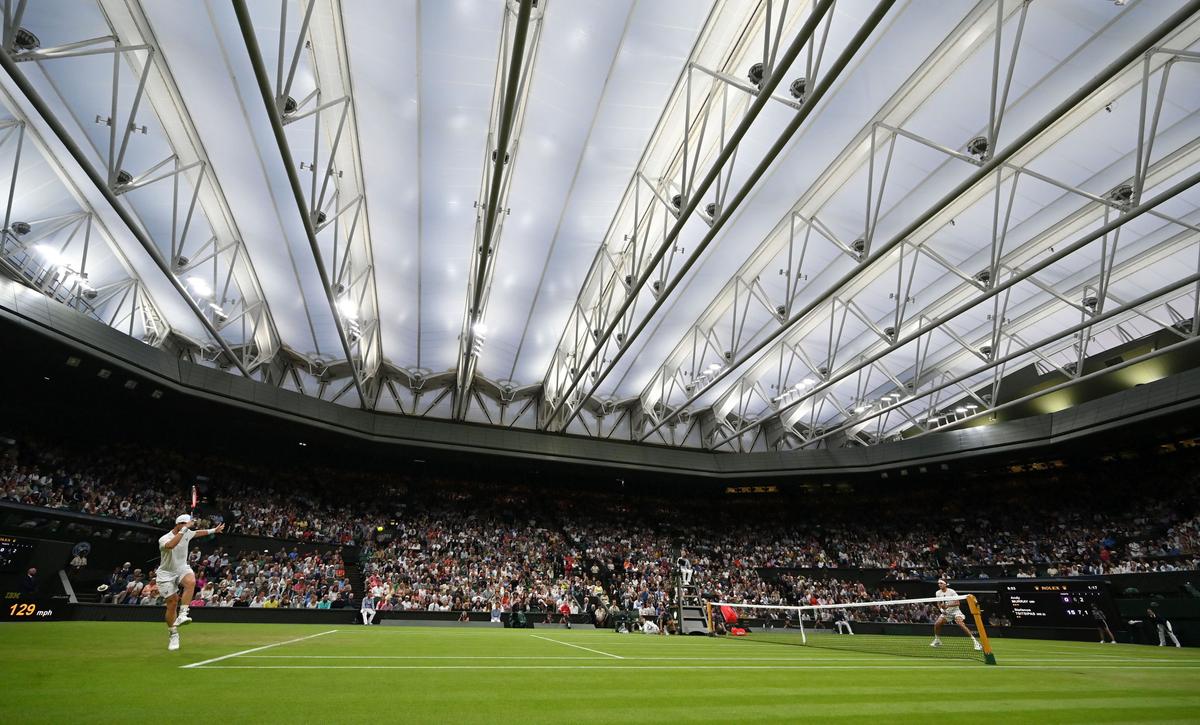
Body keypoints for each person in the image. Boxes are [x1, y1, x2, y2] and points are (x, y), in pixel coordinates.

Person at [159, 514, 224, 651]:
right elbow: (171, 545)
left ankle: (183, 614)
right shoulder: (164, 539)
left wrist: (213, 530)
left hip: (182, 568)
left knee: (191, 581)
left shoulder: (187, 532)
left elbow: (198, 533)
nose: (188, 528)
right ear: (178, 524)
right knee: (172, 603)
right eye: (185, 525)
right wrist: (184, 530)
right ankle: (173, 633)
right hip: (166, 573)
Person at [931, 579, 982, 651]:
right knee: (937, 624)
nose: (939, 584)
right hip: (947, 613)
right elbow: (938, 603)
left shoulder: (952, 592)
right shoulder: (938, 593)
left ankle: (976, 642)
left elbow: (958, 603)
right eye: (938, 583)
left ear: (945, 584)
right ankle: (937, 640)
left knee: (960, 623)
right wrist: (941, 610)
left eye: (941, 583)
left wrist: (947, 605)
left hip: (956, 611)